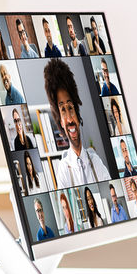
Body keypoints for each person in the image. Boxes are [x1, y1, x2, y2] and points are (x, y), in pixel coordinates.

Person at [44, 58, 111, 188]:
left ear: (77, 114)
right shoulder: (63, 171)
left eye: (70, 108)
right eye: (63, 110)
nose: (69, 119)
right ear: (61, 123)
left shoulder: (95, 161)